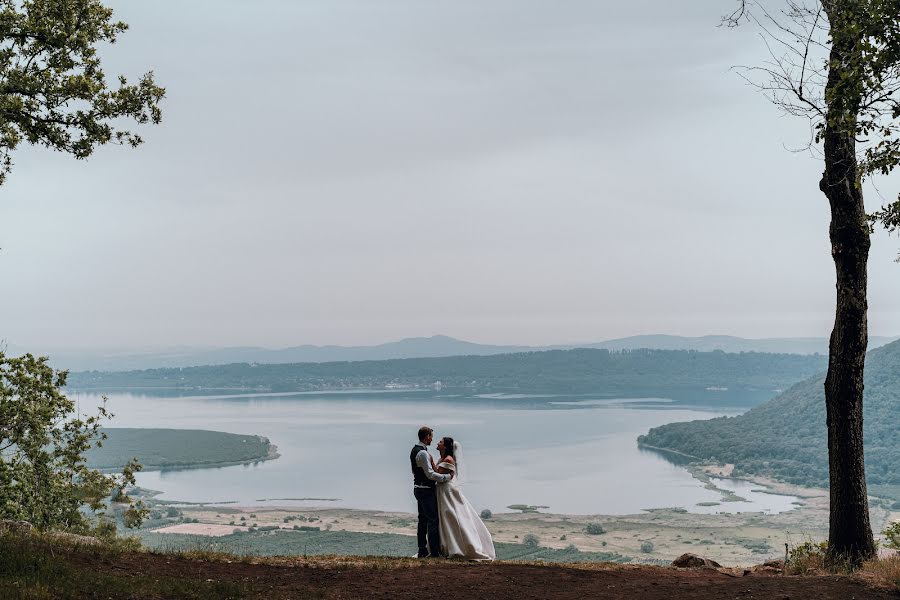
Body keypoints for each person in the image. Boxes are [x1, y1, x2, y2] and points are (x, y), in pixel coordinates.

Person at [433, 436, 496, 560]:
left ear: (445, 446)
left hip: (447, 491)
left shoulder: (449, 459)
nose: (438, 443)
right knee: (445, 517)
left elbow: (436, 473)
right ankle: (446, 545)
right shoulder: (442, 458)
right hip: (442, 490)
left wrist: (428, 463)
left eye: (440, 442)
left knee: (451, 516)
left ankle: (459, 547)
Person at [410, 426, 451, 558]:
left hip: (419, 488)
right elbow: (430, 474)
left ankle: (423, 550)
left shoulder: (416, 450)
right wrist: (447, 477)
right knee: (433, 520)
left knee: (422, 520)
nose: (432, 439)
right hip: (425, 490)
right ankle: (434, 553)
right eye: (431, 436)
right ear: (427, 436)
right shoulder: (422, 453)